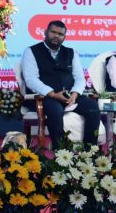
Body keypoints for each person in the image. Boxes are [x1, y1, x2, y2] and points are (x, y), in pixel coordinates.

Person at [21, 20, 100, 148]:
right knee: (56, 110)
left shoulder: (71, 52)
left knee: (93, 107)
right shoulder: (31, 51)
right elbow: (31, 79)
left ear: (64, 37)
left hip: (69, 95)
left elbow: (80, 78)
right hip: (45, 97)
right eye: (53, 32)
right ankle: (61, 152)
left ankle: (89, 151)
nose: (56, 36)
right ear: (45, 32)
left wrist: (75, 93)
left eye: (60, 34)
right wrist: (52, 94)